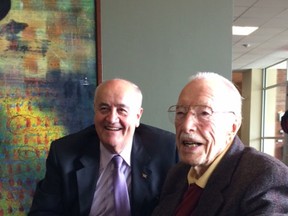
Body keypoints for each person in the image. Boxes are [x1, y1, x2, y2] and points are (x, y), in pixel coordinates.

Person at [29, 78, 178, 216]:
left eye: (122, 110)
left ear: (137, 116)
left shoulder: (166, 150)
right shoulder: (64, 153)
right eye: (104, 109)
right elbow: (43, 212)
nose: (112, 119)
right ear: (95, 111)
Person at [152, 72, 288, 216]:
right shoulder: (178, 173)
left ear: (232, 126)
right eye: (180, 113)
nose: (186, 126)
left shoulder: (265, 177)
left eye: (204, 113)